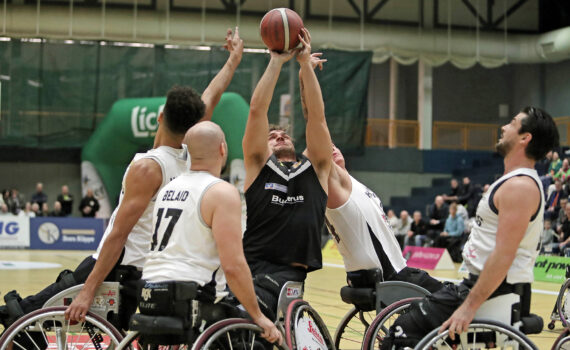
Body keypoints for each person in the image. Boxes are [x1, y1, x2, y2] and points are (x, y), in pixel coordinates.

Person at [0, 28, 244, 330]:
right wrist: (233, 60)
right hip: (150, 268)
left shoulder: (149, 167)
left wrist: (88, 290)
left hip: (121, 269)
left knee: (21, 315)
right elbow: (212, 94)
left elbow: (118, 233)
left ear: (159, 117)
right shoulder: (191, 156)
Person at [381, 107, 559, 349]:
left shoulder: (520, 187)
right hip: (476, 286)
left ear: (525, 138)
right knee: (417, 305)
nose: (504, 127)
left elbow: (504, 255)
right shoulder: (512, 182)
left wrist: (468, 307)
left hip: (497, 294)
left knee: (402, 331)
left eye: (512, 123)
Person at [138, 121, 280, 344]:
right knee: (263, 328)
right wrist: (259, 316)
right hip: (193, 298)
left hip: (149, 293)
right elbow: (233, 265)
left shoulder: (167, 189)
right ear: (222, 149)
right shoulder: (221, 192)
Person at [240, 28, 332, 319]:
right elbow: (257, 111)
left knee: (239, 315)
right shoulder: (258, 166)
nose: (279, 135)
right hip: (247, 268)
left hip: (285, 276)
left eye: (283, 134)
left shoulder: (316, 167)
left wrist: (305, 65)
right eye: (272, 135)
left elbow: (316, 117)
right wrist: (276, 62)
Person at [325, 145, 443, 293]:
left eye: (335, 146)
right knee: (452, 297)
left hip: (384, 271)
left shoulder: (354, 184)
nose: (333, 149)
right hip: (393, 274)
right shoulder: (335, 190)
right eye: (327, 148)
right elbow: (318, 141)